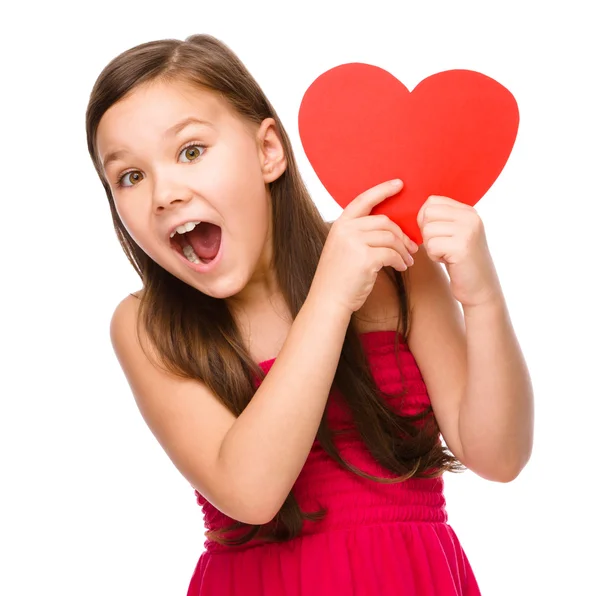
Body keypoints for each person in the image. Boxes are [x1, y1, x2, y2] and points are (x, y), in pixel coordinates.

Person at [86, 33, 534, 596]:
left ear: (268, 150)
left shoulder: (392, 263)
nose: (164, 193)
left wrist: (483, 297)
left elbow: (501, 455)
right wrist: (330, 297)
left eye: (191, 151)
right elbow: (251, 492)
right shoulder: (144, 328)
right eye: (130, 176)